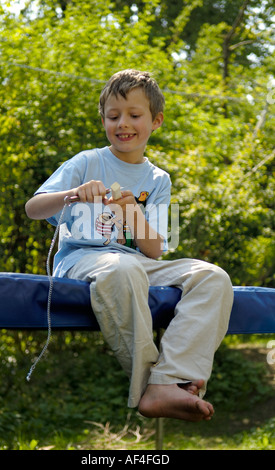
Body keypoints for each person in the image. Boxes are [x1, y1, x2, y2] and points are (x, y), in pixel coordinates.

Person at [25, 69, 233, 422]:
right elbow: (34, 209)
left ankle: (170, 378)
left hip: (138, 262)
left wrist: (131, 213)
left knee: (212, 277)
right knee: (123, 268)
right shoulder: (87, 161)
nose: (123, 123)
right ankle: (149, 389)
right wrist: (72, 194)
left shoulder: (158, 179)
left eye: (135, 115)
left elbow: (154, 250)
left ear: (156, 121)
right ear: (103, 119)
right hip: (84, 260)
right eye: (113, 116)